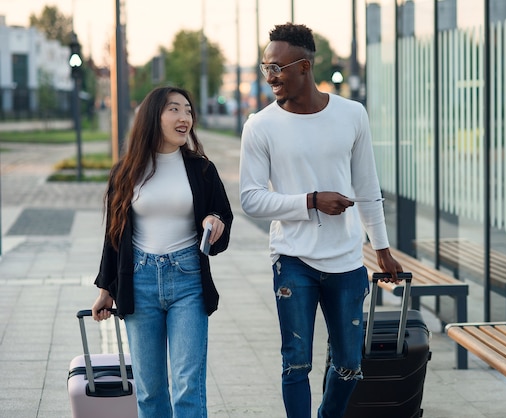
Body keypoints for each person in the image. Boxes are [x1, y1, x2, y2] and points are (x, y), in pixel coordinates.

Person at [239, 22, 403, 418]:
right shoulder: (260, 126)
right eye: (266, 67)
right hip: (293, 259)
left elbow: (367, 187)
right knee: (296, 362)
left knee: (349, 365)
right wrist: (311, 201)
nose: (271, 76)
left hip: (346, 260)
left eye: (278, 67)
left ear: (305, 67)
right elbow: (251, 199)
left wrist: (381, 249)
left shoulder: (351, 114)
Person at [91, 86, 233, 418]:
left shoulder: (202, 170)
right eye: (174, 109)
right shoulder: (126, 172)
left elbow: (223, 215)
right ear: (153, 117)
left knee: (187, 386)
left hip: (188, 281)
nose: (184, 117)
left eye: (188, 110)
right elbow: (114, 236)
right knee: (150, 389)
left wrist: (216, 222)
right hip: (139, 282)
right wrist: (105, 289)